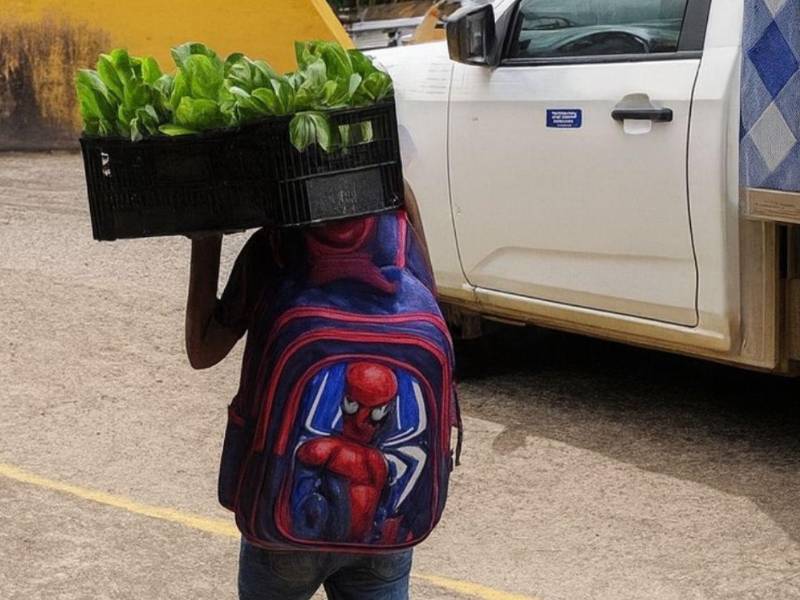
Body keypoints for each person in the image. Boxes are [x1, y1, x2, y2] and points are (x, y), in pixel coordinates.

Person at [184, 185, 431, 600]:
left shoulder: (277, 246)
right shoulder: (400, 229)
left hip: (283, 526)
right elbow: (429, 307)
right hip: (383, 531)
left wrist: (206, 236)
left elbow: (202, 349)